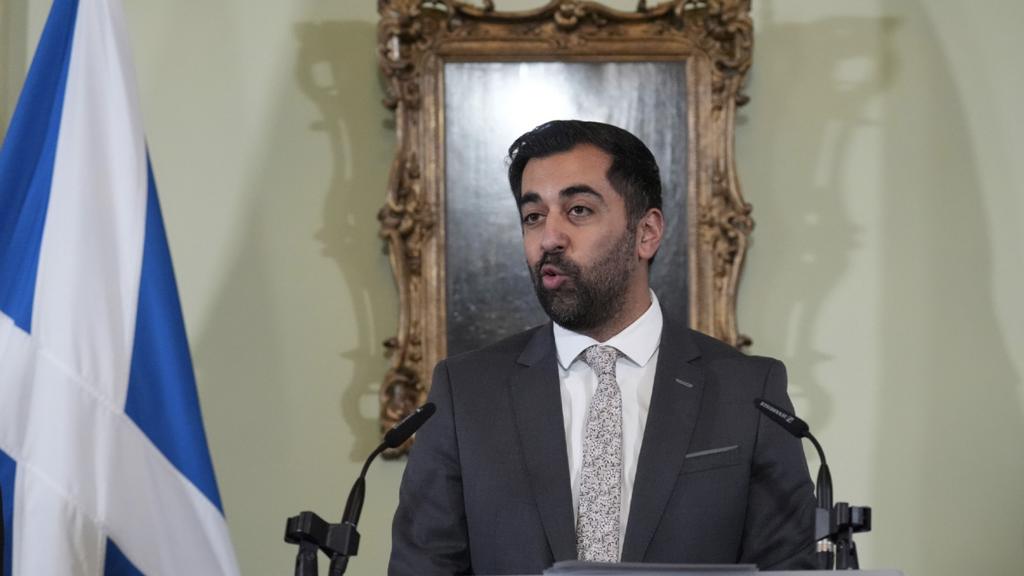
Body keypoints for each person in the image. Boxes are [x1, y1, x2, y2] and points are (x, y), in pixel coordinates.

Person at [389, 120, 816, 575]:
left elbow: (789, 568)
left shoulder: (747, 392)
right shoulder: (466, 393)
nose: (549, 237)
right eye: (533, 216)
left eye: (577, 210)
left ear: (646, 233)